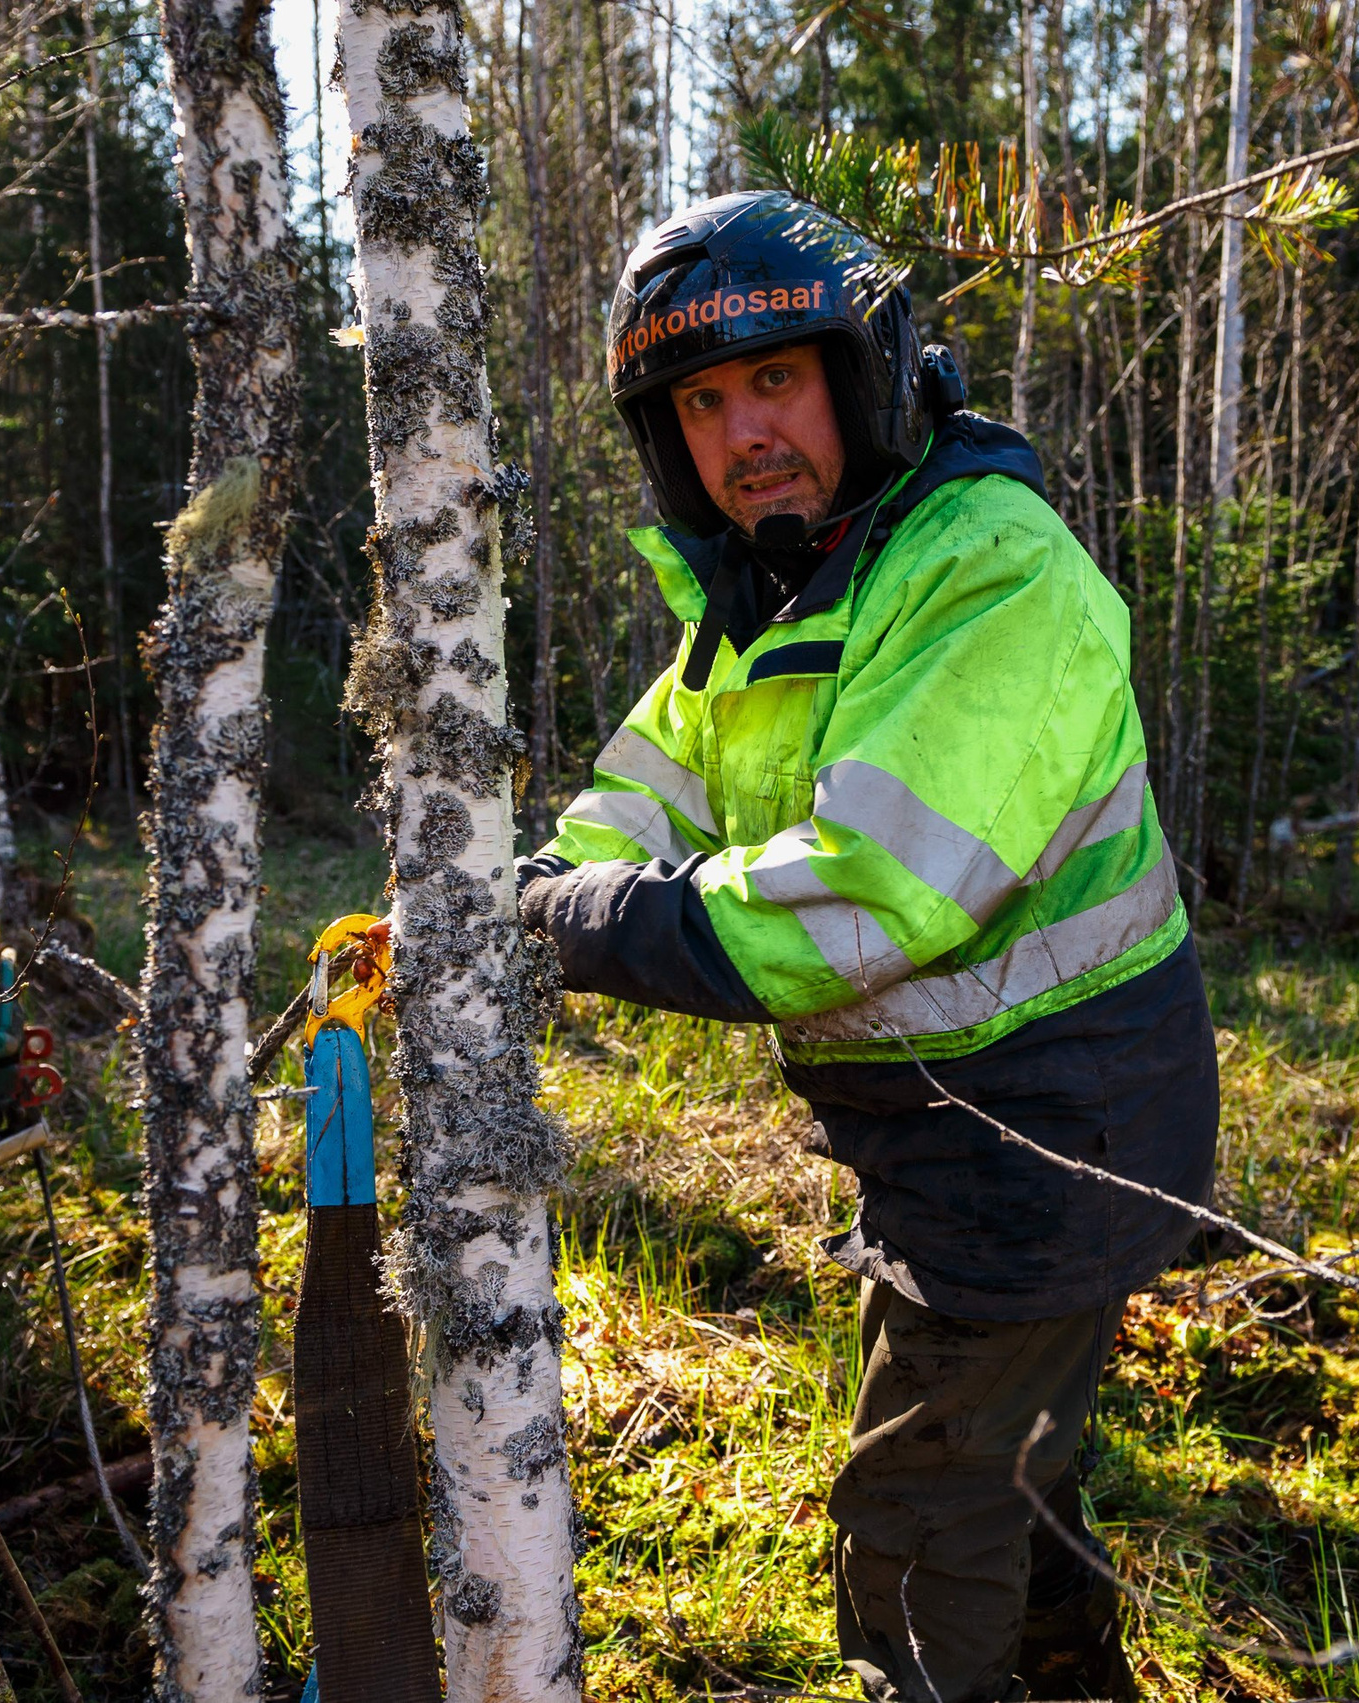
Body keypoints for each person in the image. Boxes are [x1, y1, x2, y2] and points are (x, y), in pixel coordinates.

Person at [517, 191, 1218, 1703]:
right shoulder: (774, 592)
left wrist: (574, 926)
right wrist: (527, 890)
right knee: (1006, 1480)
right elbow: (650, 785)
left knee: (915, 1519)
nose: (743, 433)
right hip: (952, 1131)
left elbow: (874, 898)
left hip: (1057, 1131)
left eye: (775, 379)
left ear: (865, 370)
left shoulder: (984, 568)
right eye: (702, 403)